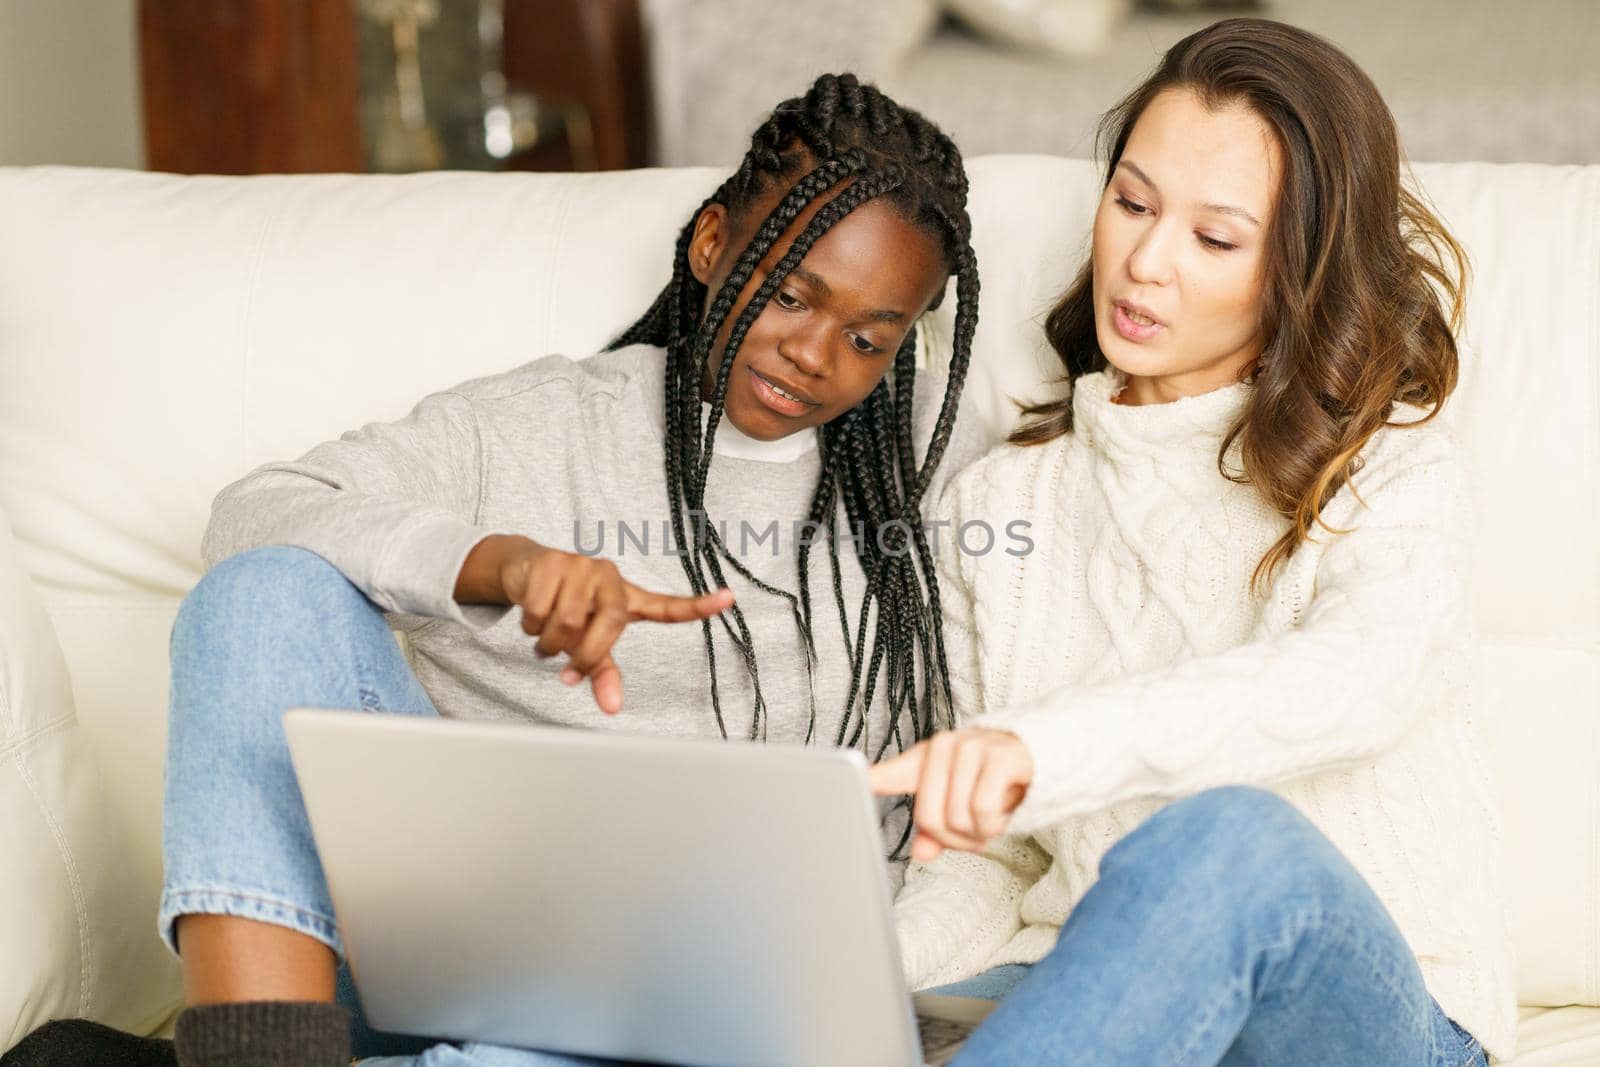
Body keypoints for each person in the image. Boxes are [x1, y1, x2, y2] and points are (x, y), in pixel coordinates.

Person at [0, 74, 989, 1067]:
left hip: (704, 998)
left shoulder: (931, 473)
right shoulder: (534, 422)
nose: (816, 352)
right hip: (423, 953)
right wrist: (497, 563)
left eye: (867, 337)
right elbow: (254, 511)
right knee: (261, 590)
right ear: (711, 244)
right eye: (785, 291)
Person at [871, 18, 1515, 1067]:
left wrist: (1043, 749)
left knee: (1227, 840)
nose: (1144, 261)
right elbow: (988, 860)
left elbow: (1353, 681)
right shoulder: (997, 503)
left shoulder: (1392, 466)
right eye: (1129, 202)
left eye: (1214, 238)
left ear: (1297, 268)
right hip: (1097, 997)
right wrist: (852, 975)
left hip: (1375, 1021)